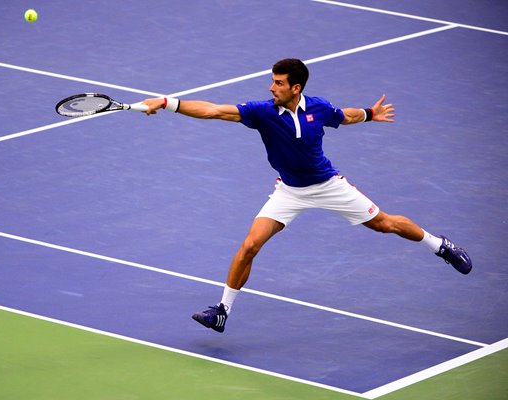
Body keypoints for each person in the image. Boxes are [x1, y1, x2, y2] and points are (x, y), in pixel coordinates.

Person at [142, 58, 472, 333]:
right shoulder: (262, 112)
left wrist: (371, 114)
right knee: (250, 245)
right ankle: (222, 312)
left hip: (329, 185)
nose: (272, 87)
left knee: (386, 224)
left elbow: (346, 115)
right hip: (289, 191)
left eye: (279, 83)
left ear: (296, 88)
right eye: (272, 81)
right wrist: (169, 103)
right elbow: (214, 110)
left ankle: (440, 245)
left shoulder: (320, 108)